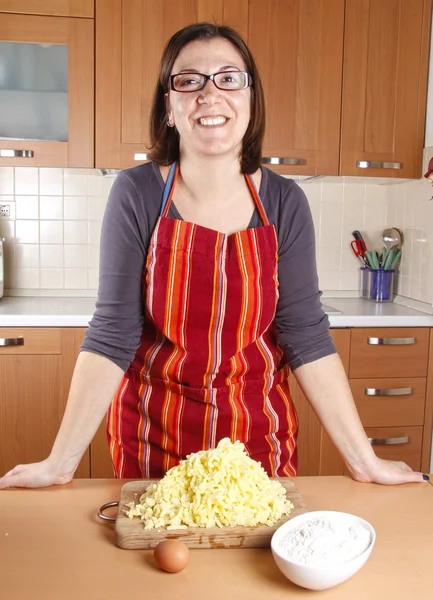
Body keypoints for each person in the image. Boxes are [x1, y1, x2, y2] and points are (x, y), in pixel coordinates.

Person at [0, 23, 428, 489]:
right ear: (169, 106)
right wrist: (59, 463)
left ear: (250, 100)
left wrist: (366, 462)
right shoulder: (136, 193)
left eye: (228, 78)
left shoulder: (284, 203)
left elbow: (306, 335)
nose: (210, 94)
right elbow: (112, 333)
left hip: (257, 442)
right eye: (189, 80)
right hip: (155, 438)